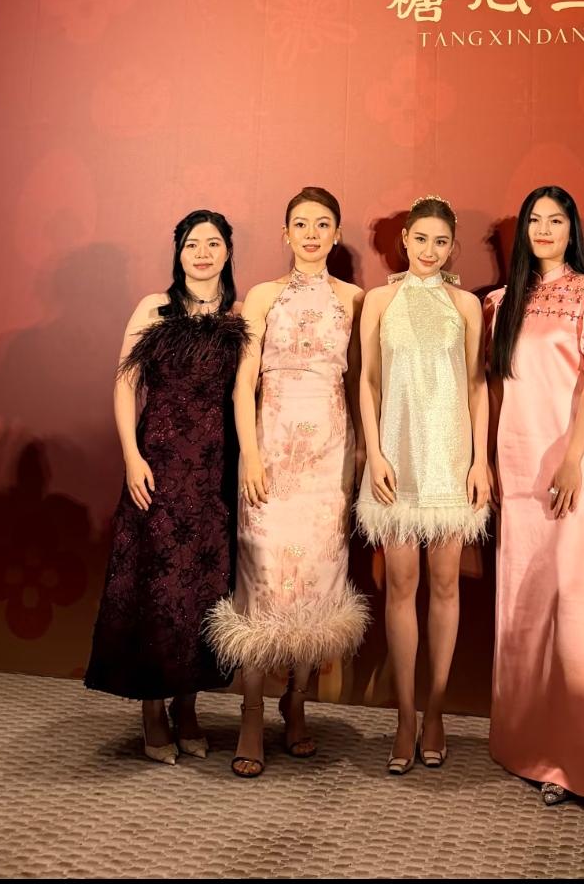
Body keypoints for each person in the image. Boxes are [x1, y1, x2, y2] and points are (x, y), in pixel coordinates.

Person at [205, 187, 369, 778]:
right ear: (285, 233)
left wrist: (359, 457)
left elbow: (359, 384)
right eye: (301, 224)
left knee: (317, 581)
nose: (311, 234)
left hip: (329, 456)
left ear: (336, 234)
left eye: (323, 224)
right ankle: (251, 711)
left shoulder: (353, 298)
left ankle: (296, 702)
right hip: (271, 453)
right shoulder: (262, 296)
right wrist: (249, 455)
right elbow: (243, 381)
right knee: (264, 576)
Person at [485, 185, 584, 806]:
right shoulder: (500, 302)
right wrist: (487, 462)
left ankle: (581, 761)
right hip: (518, 465)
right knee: (526, 602)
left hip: (572, 464)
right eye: (534, 220)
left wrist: (573, 459)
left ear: (573, 229)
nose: (544, 229)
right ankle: (527, 745)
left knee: (577, 605)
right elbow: (497, 390)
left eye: (556, 219)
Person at [85, 209, 247, 765]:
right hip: (157, 466)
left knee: (203, 590)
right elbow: (124, 385)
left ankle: (188, 706)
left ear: (228, 252)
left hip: (214, 472)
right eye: (192, 244)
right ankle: (153, 710)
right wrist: (131, 457)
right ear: (178, 253)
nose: (202, 253)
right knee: (155, 588)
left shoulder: (239, 318)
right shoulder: (153, 308)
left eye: (213, 243)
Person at [356, 195, 490, 774]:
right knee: (400, 584)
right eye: (421, 239)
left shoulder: (466, 305)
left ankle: (436, 711)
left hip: (451, 461)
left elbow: (478, 386)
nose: (430, 251)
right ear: (404, 240)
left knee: (445, 584)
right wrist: (375, 454)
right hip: (397, 458)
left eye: (441, 242)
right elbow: (367, 381)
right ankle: (405, 717)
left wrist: (479, 461)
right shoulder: (379, 301)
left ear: (452, 246)